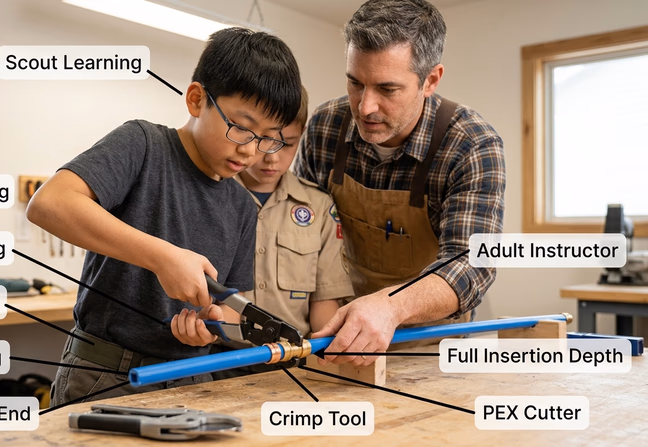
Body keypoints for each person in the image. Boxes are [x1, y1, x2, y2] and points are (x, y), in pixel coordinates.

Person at [27, 27, 302, 405]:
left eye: (270, 138)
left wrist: (211, 327)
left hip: (192, 383)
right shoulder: (143, 145)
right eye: (241, 128)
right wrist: (163, 257)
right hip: (105, 375)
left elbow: (229, 307)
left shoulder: (242, 206)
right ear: (196, 99)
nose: (253, 151)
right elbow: (49, 204)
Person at [293, 0, 505, 366]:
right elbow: (302, 230)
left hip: (430, 345)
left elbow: (470, 264)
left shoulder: (471, 144)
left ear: (430, 80)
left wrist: (390, 306)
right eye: (355, 83)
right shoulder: (326, 125)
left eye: (387, 89)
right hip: (339, 337)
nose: (365, 107)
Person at [173, 88, 354, 378]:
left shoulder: (318, 207)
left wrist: (329, 355)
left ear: (302, 136)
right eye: (263, 141)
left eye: (286, 144)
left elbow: (324, 302)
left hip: (293, 365)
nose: (272, 158)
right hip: (217, 361)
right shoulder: (209, 197)